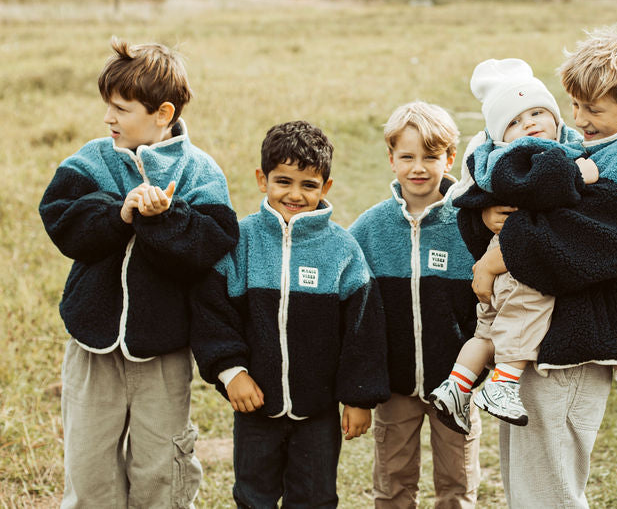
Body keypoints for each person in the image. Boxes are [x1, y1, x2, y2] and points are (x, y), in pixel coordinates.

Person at [457, 24, 617, 508]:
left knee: (549, 491)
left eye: (593, 109)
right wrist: (484, 218)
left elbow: (567, 246)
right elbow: (511, 207)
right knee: (526, 483)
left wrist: (495, 256)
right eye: (574, 105)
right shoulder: (593, 146)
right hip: (541, 340)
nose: (579, 119)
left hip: (576, 347)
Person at [38, 36, 239, 508]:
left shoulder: (199, 171)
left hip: (164, 352)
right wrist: (120, 214)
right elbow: (62, 223)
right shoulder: (92, 159)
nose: (108, 118)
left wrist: (165, 218)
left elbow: (211, 246)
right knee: (89, 472)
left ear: (163, 114)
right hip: (93, 347)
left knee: (161, 472)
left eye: (121, 109)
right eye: (107, 106)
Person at [190, 120, 388, 507]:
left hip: (319, 410)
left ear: (326, 187)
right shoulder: (241, 241)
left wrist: (359, 397)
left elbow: (364, 329)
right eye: (284, 181)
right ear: (262, 180)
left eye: (308, 185)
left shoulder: (342, 249)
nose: (295, 194)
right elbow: (212, 313)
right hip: (254, 405)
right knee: (253, 496)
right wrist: (232, 373)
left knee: (314, 497)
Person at [427, 58, 597, 433]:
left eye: (537, 112)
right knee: (526, 313)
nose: (530, 124)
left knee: (485, 333)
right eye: (515, 122)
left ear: (556, 115)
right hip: (518, 266)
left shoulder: (498, 158)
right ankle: (503, 384)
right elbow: (544, 188)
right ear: (501, 136)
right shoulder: (523, 157)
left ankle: (457, 384)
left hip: (497, 264)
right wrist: (578, 172)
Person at [349, 102, 481, 509]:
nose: (418, 167)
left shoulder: (470, 223)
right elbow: (353, 308)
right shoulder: (369, 229)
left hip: (456, 386)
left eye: (430, 156)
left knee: (457, 486)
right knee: (393, 485)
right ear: (391, 160)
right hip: (395, 387)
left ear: (449, 158)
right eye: (407, 157)